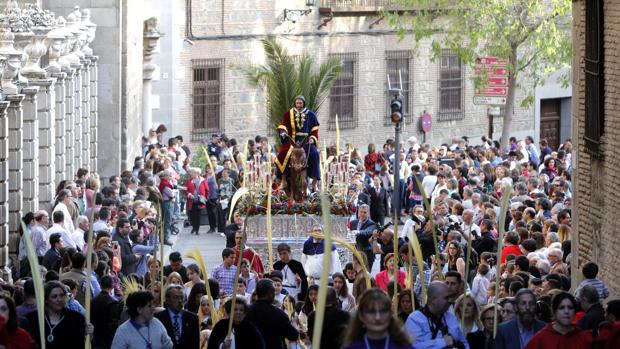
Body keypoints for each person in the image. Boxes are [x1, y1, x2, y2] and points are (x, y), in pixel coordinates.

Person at [275, 95, 321, 191]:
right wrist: (283, 133)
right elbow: (283, 125)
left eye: (300, 103)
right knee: (283, 154)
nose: (298, 104)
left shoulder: (311, 114)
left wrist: (312, 138)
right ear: (295, 103)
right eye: (297, 103)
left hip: (306, 141)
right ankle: (283, 181)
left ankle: (314, 183)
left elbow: (315, 129)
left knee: (315, 154)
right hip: (292, 141)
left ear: (303, 103)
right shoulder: (289, 114)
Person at [342, 288, 414, 349]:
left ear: (390, 314)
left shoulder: (403, 346)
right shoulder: (352, 347)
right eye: (371, 311)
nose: (378, 317)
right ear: (361, 316)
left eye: (383, 311)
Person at [406, 281, 469, 349]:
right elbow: (413, 347)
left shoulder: (450, 317)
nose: (449, 300)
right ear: (433, 299)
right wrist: (443, 342)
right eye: (446, 298)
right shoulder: (414, 319)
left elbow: (464, 343)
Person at [26, 281, 86, 349]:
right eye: (54, 296)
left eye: (62, 295)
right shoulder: (33, 318)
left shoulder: (76, 318)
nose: (59, 299)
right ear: (46, 300)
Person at [245, 279, 301, 349]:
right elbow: (293, 335)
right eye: (273, 291)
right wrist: (295, 324)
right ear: (271, 293)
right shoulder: (279, 314)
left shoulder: (246, 311)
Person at [524, 292, 592, 349]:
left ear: (574, 311)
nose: (566, 311)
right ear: (554, 311)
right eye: (561, 308)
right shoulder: (541, 338)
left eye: (570, 308)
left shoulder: (583, 338)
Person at [155, 285, 200, 349]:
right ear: (167, 300)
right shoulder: (158, 318)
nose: (180, 301)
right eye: (176, 297)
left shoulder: (193, 318)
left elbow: (195, 345)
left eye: (182, 297)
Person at [91, 275, 122, 349]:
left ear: (100, 285)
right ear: (112, 285)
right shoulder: (113, 302)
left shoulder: (93, 300)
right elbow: (112, 324)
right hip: (106, 340)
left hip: (95, 338)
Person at [350, 204, 377, 269]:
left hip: (367, 254)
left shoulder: (371, 223)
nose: (362, 214)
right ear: (358, 212)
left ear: (368, 213)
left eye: (365, 212)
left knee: (366, 276)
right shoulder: (353, 222)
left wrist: (357, 232)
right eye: (361, 212)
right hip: (355, 253)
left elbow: (367, 232)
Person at [185, 167, 209, 235]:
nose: (191, 174)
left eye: (192, 173)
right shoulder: (189, 181)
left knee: (198, 215)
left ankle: (197, 230)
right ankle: (194, 227)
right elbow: (185, 190)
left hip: (199, 200)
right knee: (192, 215)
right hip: (191, 200)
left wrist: (205, 198)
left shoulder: (203, 180)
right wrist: (189, 194)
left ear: (197, 173)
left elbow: (207, 190)